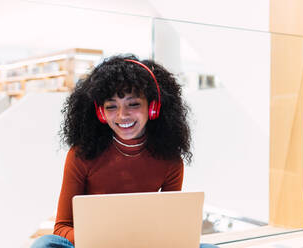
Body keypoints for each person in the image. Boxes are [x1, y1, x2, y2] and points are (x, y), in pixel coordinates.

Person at [31, 54, 219, 248]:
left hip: (143, 245)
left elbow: (169, 228)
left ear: (153, 107)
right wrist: (104, 242)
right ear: (100, 113)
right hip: (94, 246)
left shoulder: (170, 159)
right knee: (46, 243)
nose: (122, 115)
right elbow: (62, 228)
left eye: (134, 104)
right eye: (111, 106)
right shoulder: (81, 154)